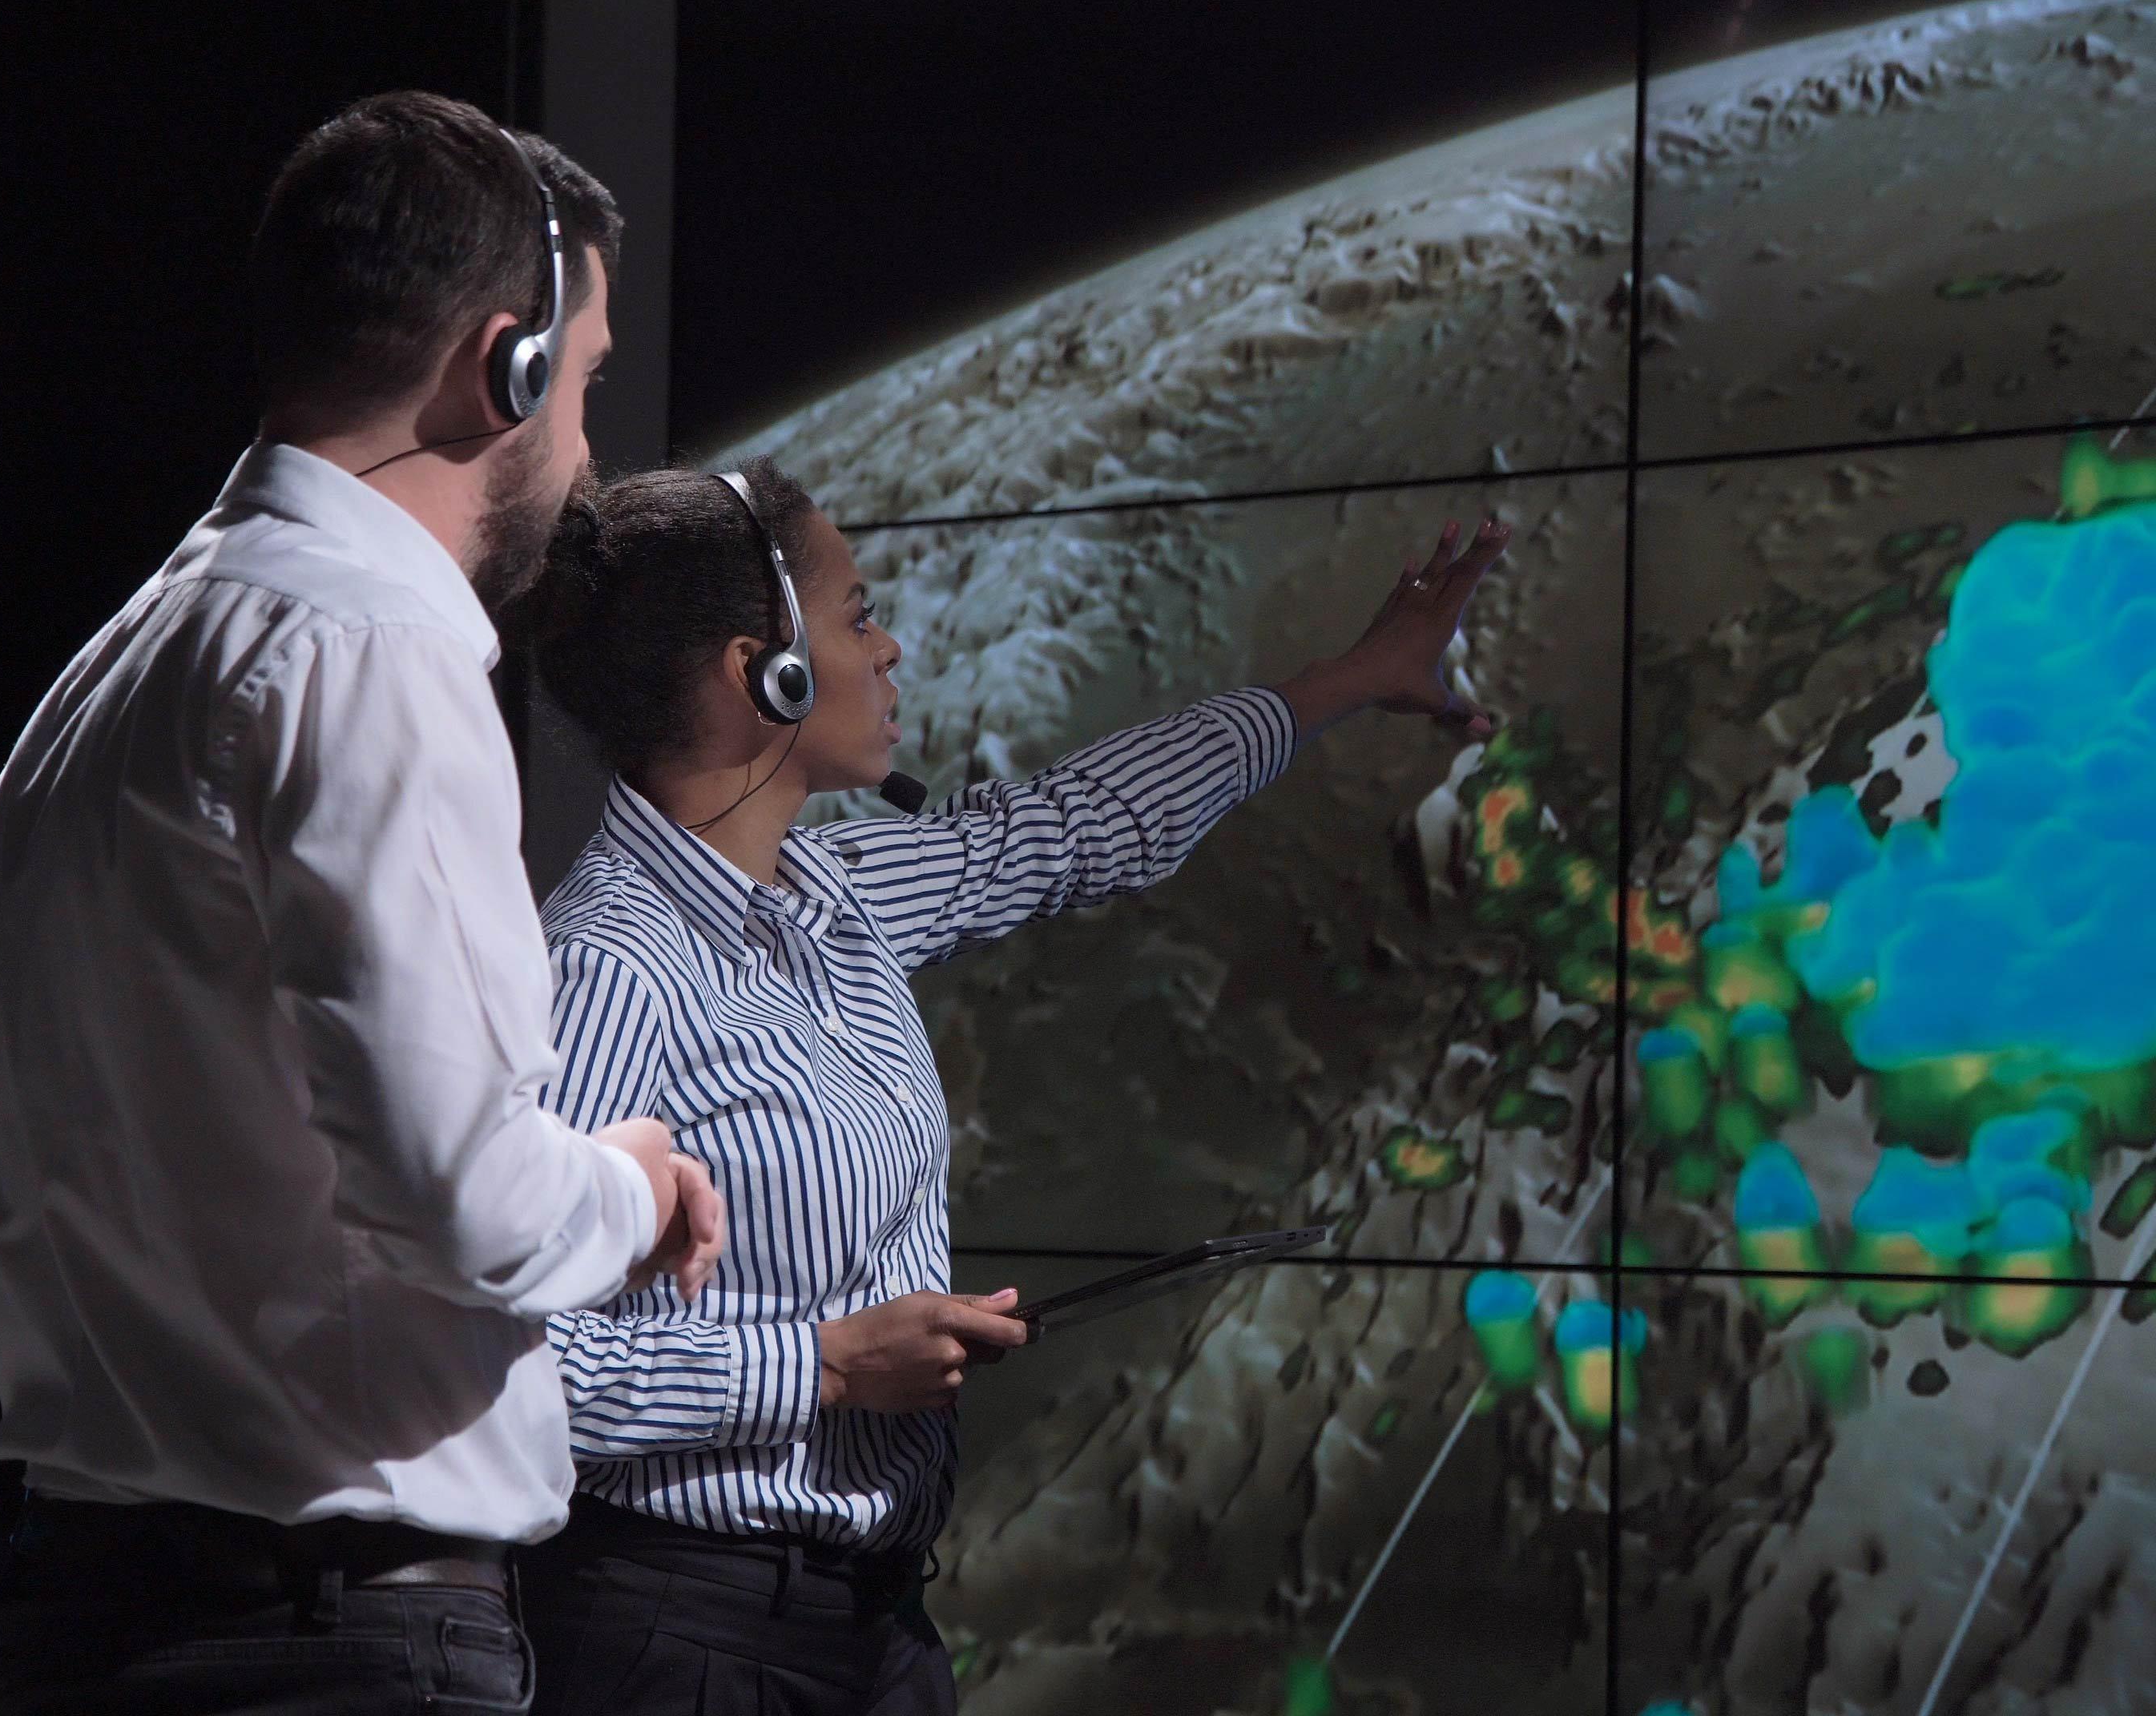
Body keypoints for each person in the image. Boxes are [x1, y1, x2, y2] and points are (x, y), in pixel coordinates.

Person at [509, 460, 1505, 1714]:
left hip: (869, 1627)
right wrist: (819, 1368)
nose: (893, 648)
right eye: (860, 615)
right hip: (686, 1638)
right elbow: (525, 1365)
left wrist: (1348, 683)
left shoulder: (836, 898)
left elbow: (1074, 826)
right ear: (760, 671)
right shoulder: (606, 963)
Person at [0, 91, 723, 1716]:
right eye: (580, 389)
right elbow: (466, 1198)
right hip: (320, 1650)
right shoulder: (369, 655)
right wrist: (636, 1191)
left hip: (86, 1620)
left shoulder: (112, 671)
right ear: (501, 366)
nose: (585, 451)